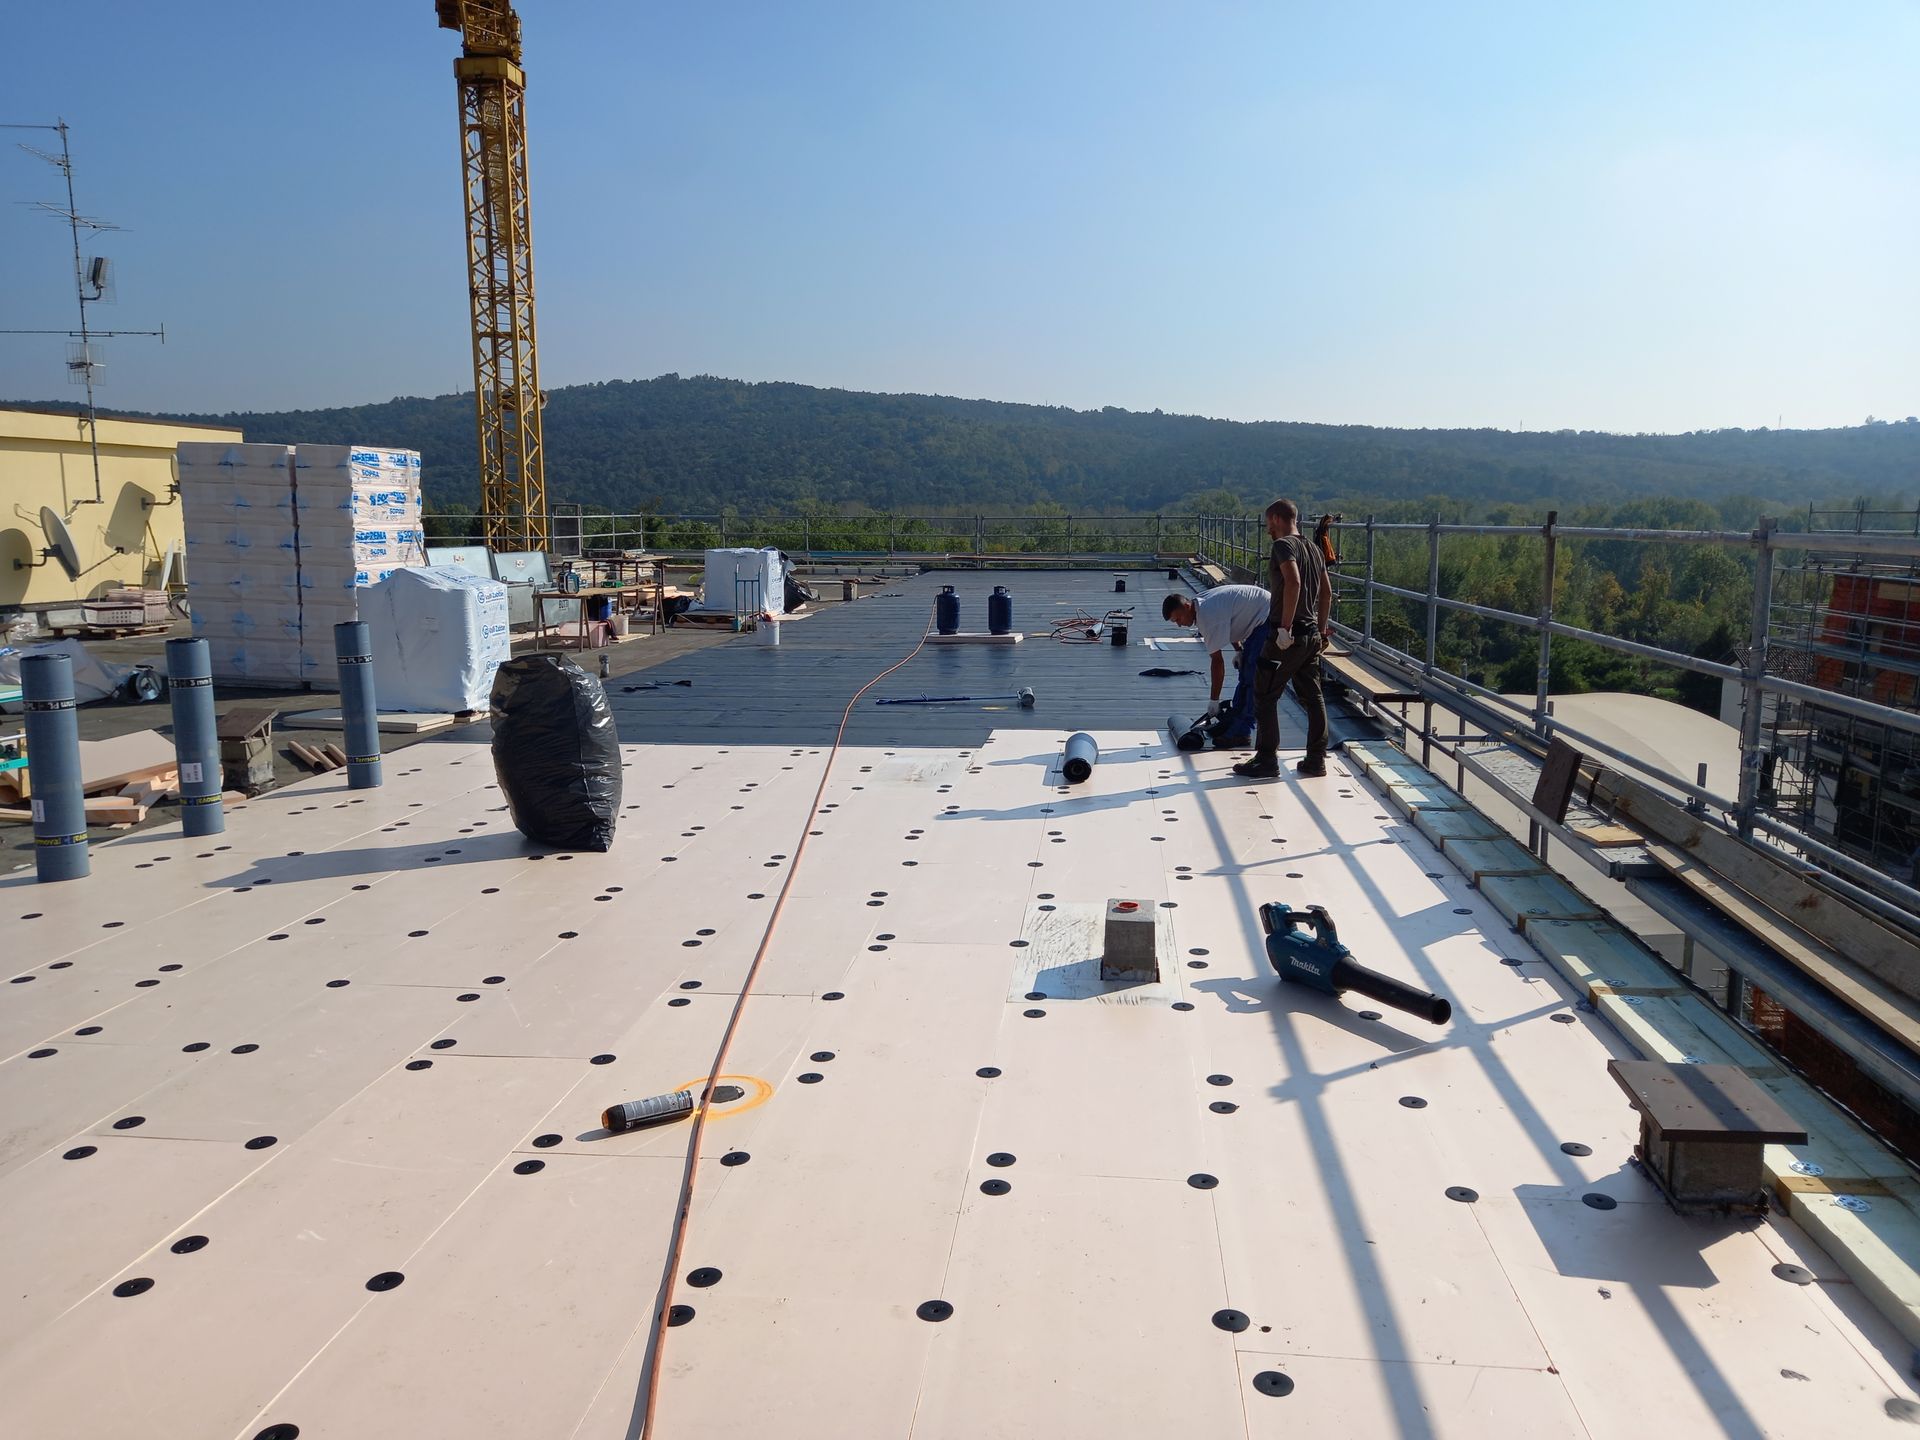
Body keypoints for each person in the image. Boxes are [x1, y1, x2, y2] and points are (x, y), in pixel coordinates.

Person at [1234, 498, 1332, 779]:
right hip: (1311, 635)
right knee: (1313, 697)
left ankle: (1266, 760)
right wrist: (1322, 630)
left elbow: (1294, 581)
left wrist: (1284, 628)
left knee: (1264, 694)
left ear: (1277, 518)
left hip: (1288, 635)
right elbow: (1326, 593)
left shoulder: (1282, 546)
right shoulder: (1314, 549)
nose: (1268, 529)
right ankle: (1316, 760)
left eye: (1268, 523)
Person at [1161, 585, 1271, 746]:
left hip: (1266, 615)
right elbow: (1230, 623)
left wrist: (1214, 700)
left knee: (1253, 678)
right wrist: (1238, 650)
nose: (1179, 625)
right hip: (1257, 611)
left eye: (1178, 619)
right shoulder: (1200, 605)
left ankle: (1241, 732)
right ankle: (1235, 725)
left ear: (1186, 607)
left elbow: (1217, 662)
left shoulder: (1207, 618)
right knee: (1245, 674)